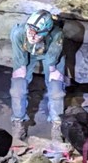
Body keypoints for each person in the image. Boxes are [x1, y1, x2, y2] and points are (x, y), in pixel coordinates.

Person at [9, 9, 65, 144]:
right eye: (29, 31)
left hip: (49, 53)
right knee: (18, 87)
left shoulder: (57, 35)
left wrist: (53, 71)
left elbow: (52, 60)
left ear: (45, 32)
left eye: (36, 34)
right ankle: (18, 122)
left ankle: (57, 124)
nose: (31, 36)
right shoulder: (18, 33)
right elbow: (20, 64)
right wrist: (20, 72)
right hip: (26, 51)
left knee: (56, 87)